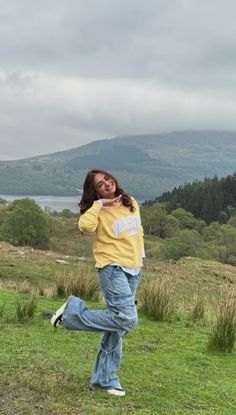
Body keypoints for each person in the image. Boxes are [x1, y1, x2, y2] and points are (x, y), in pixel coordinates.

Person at [51, 168, 144, 397]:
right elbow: (85, 227)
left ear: (113, 178)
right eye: (100, 184)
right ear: (95, 191)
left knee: (117, 327)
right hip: (112, 268)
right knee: (127, 319)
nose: (106, 184)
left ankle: (105, 379)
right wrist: (98, 204)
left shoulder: (130, 201)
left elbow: (138, 232)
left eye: (107, 179)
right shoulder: (97, 210)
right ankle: (72, 312)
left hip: (134, 269)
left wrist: (141, 259)